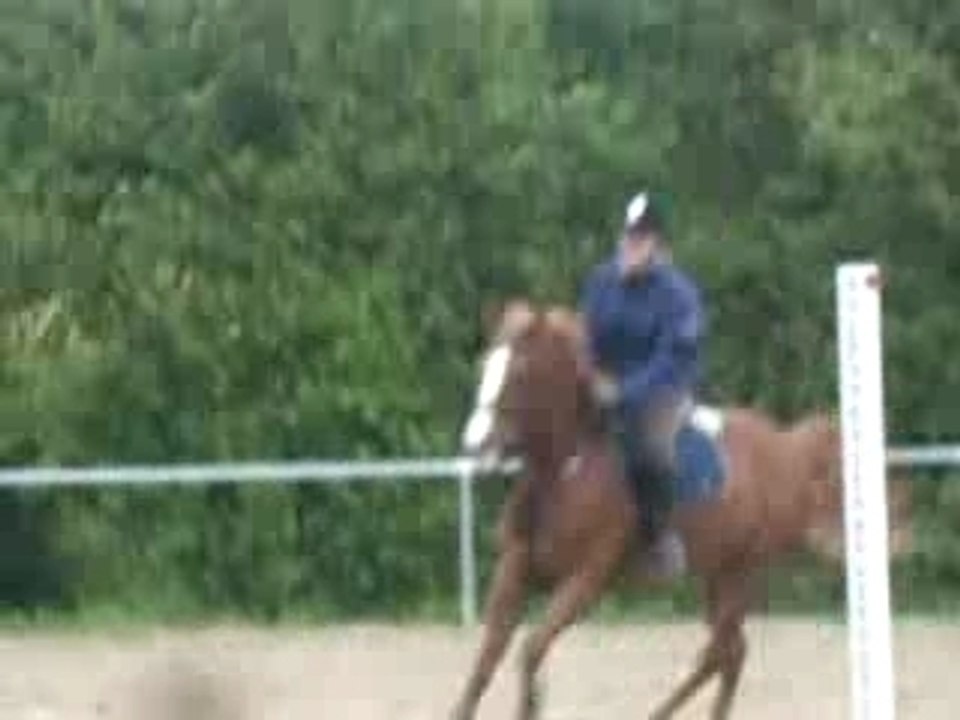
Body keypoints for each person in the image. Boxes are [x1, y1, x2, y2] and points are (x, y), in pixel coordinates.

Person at [579, 191, 706, 578]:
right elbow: (586, 336)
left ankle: (660, 539)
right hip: (604, 385)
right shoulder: (602, 282)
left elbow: (672, 357)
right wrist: (587, 375)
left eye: (640, 239)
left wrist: (625, 391)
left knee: (650, 448)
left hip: (663, 392)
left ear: (657, 245)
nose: (630, 245)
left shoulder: (678, 293)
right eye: (627, 237)